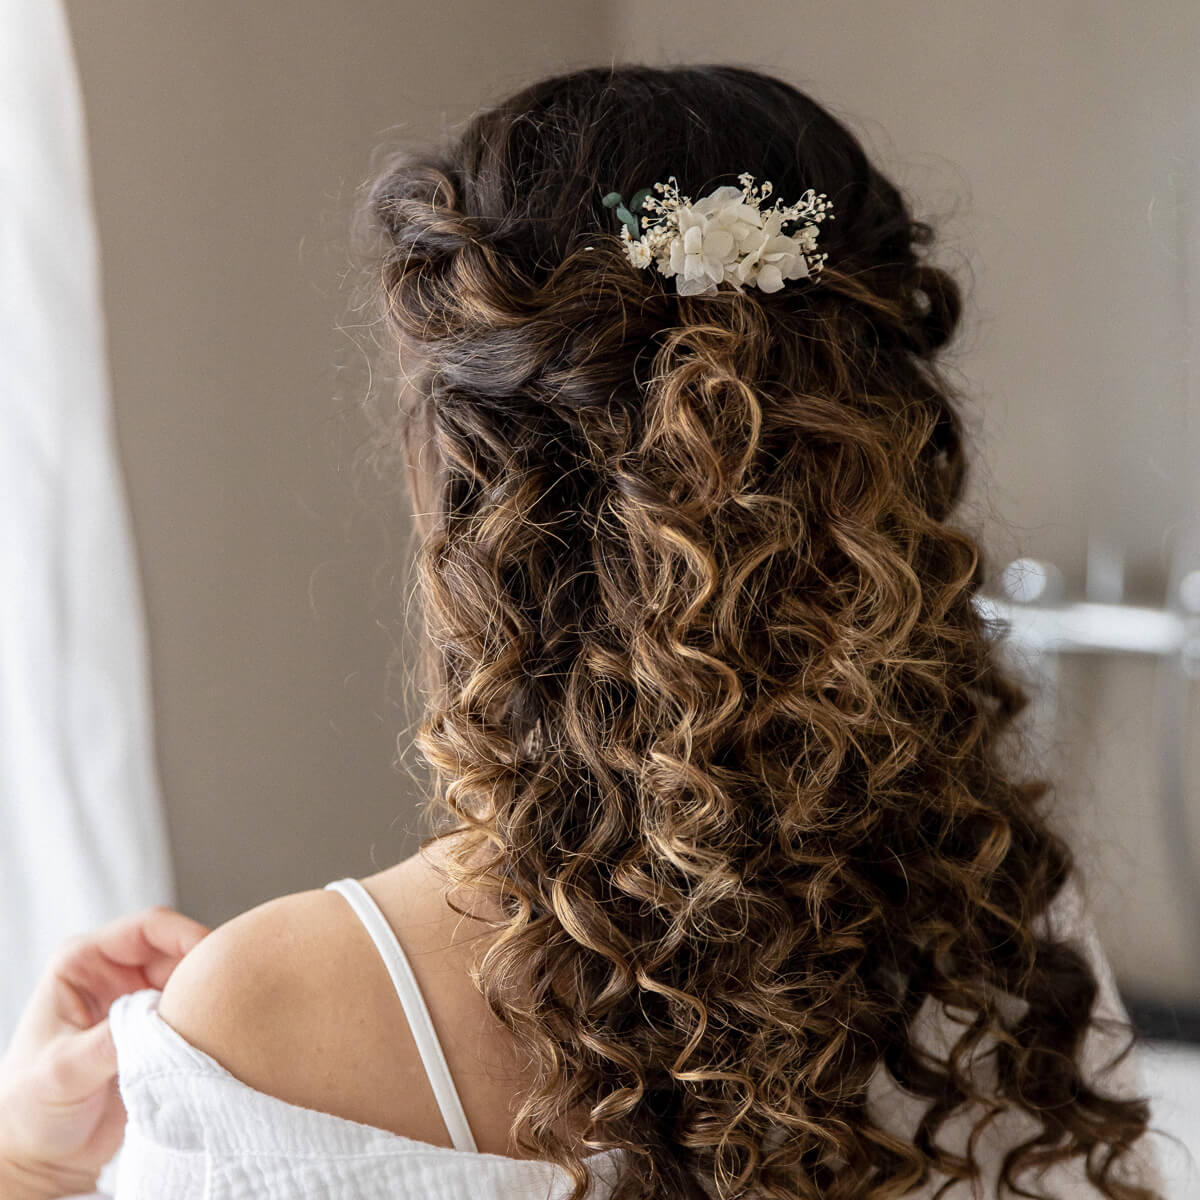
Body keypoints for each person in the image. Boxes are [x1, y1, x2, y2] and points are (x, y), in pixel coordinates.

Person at [0, 63, 1167, 1199]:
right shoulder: (1003, 928)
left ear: (464, 484)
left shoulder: (275, 1014)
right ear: (887, 462)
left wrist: (31, 1164)